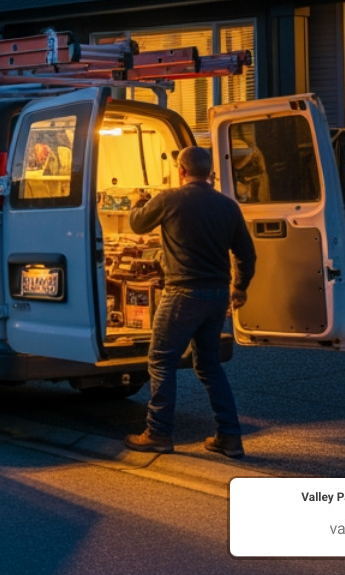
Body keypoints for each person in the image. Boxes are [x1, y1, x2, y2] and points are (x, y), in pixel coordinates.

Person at [122, 145, 256, 459]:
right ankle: (230, 436)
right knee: (209, 365)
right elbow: (246, 254)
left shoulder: (169, 199)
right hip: (217, 296)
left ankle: (157, 433)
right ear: (210, 172)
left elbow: (138, 224)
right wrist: (240, 288)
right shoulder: (228, 206)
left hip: (182, 295)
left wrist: (137, 202)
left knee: (161, 361)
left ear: (181, 171)